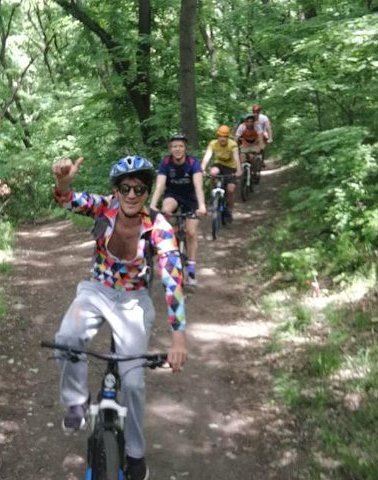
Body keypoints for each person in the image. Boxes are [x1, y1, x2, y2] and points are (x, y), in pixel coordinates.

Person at [51, 155, 188, 480]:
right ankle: (76, 401)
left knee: (134, 383)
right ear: (116, 190)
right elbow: (67, 200)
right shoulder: (103, 207)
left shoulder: (159, 225)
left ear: (146, 192)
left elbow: (172, 278)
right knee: (67, 338)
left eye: (139, 188)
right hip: (96, 290)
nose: (131, 194)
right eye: (125, 188)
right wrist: (63, 182)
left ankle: (135, 453)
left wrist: (178, 337)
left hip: (134, 300)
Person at [149, 133, 206, 286]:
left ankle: (191, 267)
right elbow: (160, 185)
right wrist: (153, 205)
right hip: (173, 195)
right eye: (174, 146)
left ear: (185, 148)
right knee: (166, 210)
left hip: (191, 198)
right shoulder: (165, 162)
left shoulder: (193, 162)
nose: (177, 149)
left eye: (180, 146)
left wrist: (202, 205)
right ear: (170, 148)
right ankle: (168, 244)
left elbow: (198, 186)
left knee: (191, 232)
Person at [201, 125, 242, 221]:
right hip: (219, 165)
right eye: (220, 136)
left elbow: (236, 158)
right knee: (213, 173)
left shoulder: (232, 144)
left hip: (231, 167)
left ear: (228, 137)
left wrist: (239, 170)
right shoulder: (213, 144)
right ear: (217, 136)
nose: (222, 139)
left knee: (231, 189)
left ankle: (230, 210)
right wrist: (202, 169)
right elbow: (207, 157)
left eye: (225, 136)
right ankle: (213, 193)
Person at [235, 113, 265, 180]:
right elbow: (236, 138)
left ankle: (255, 171)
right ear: (245, 122)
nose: (249, 123)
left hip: (255, 144)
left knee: (254, 157)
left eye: (251, 122)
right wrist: (234, 147)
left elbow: (260, 137)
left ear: (254, 122)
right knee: (242, 157)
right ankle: (243, 172)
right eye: (248, 122)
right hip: (245, 144)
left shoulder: (257, 126)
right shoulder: (241, 127)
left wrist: (261, 147)